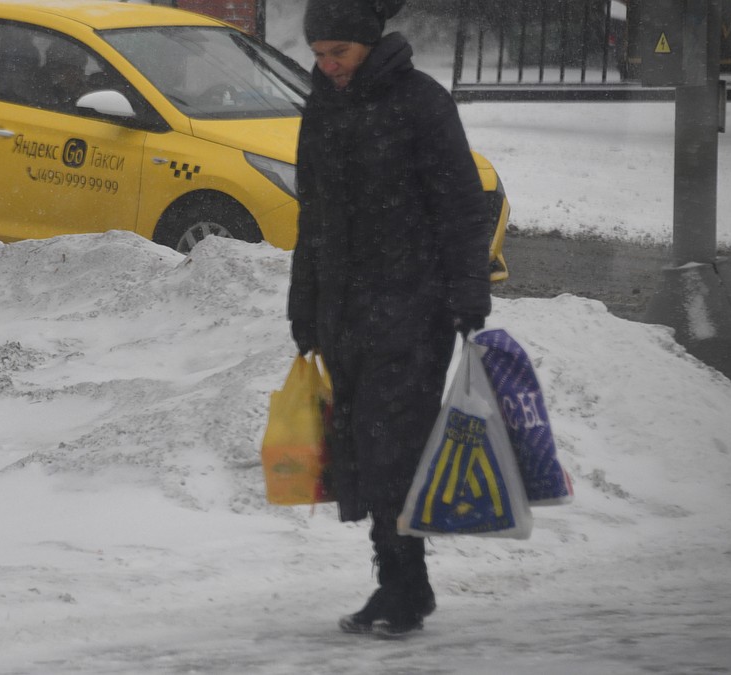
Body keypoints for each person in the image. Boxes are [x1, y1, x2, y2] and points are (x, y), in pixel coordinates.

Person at [288, 0, 492, 638]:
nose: (329, 66)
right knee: (362, 449)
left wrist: (468, 299)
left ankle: (406, 586)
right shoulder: (322, 106)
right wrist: (305, 305)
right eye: (319, 55)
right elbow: (312, 215)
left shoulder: (423, 104)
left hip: (413, 305)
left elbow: (461, 207)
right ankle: (399, 581)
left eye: (338, 54)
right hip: (346, 311)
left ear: (369, 44)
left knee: (392, 446)